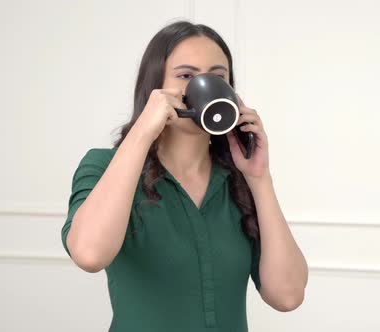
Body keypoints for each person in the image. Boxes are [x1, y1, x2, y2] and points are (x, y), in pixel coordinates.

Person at [60, 20, 308, 331]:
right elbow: (89, 254)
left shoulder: (239, 181)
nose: (201, 87)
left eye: (217, 77)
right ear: (155, 87)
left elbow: (287, 296)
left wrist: (260, 179)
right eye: (186, 76)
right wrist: (142, 132)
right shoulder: (104, 166)